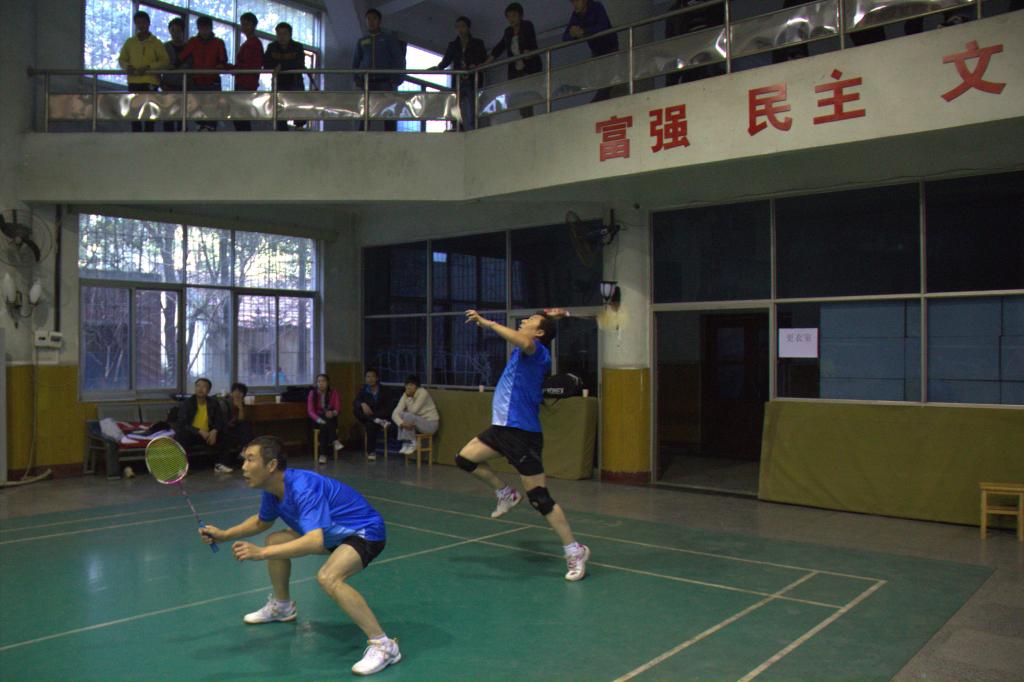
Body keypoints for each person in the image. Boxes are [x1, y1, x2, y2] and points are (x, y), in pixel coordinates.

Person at [200, 436, 400, 676]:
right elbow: (262, 522)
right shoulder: (272, 489)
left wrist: (261, 553)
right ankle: (282, 607)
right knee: (275, 540)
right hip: (332, 534)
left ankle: (384, 645)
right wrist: (224, 535)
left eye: (250, 459)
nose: (243, 466)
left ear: (271, 465)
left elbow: (314, 541)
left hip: (363, 531)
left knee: (329, 577)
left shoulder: (303, 487)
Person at [457, 309, 591, 581]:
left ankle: (574, 550)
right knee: (465, 458)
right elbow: (532, 330)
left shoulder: (538, 352)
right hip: (502, 428)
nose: (523, 321)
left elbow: (525, 341)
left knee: (540, 499)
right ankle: (505, 493)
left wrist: (488, 323)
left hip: (523, 434)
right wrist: (550, 313)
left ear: (539, 332)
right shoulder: (525, 350)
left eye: (530, 321)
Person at [352, 9, 406, 132]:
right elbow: (356, 62)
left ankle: (391, 137)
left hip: (385, 81)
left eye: (374, 19)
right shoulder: (362, 41)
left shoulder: (388, 39)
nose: (371, 22)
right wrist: (356, 78)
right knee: (366, 112)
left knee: (389, 110)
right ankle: (361, 137)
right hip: (367, 82)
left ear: (379, 21)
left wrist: (397, 78)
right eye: (368, 19)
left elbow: (399, 59)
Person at [487, 3, 542, 119]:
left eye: (514, 15)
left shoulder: (527, 25)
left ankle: (528, 118)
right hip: (516, 70)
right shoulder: (508, 32)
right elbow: (499, 47)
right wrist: (487, 62)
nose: (511, 19)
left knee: (527, 95)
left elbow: (531, 41)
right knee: (519, 95)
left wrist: (528, 52)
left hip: (529, 67)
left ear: (520, 16)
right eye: (509, 16)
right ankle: (525, 117)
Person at [118, 10, 170, 132]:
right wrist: (127, 66)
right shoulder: (130, 42)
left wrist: (149, 67)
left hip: (150, 81)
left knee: (149, 109)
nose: (141, 25)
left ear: (148, 23)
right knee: (134, 109)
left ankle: (148, 133)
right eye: (138, 23)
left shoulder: (156, 43)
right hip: (133, 81)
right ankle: (136, 134)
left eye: (143, 22)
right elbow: (122, 59)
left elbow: (165, 61)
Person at [436, 16, 487, 131]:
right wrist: (438, 68)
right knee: (456, 104)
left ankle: (472, 127)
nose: (460, 29)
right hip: (458, 80)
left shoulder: (477, 43)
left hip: (472, 78)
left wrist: (475, 65)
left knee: (472, 104)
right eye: (458, 27)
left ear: (468, 28)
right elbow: (446, 60)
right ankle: (457, 126)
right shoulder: (453, 45)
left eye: (463, 26)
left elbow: (483, 58)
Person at [177, 15, 228, 131]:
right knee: (197, 107)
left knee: (212, 108)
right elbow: (182, 57)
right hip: (197, 81)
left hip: (212, 81)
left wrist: (220, 65)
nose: (204, 31)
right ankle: (202, 126)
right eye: (202, 28)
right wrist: (173, 66)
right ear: (198, 28)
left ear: (211, 28)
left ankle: (210, 127)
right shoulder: (193, 42)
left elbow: (223, 59)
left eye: (206, 28)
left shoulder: (218, 42)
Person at [563, 0, 618, 103]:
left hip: (610, 49)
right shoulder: (576, 15)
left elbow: (603, 25)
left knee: (608, 79)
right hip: (597, 53)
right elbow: (565, 37)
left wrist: (584, 31)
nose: (574, 5)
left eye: (577, 1)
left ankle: (600, 101)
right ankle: (600, 100)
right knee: (602, 79)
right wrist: (573, 33)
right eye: (572, 2)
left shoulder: (596, 6)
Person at [174, 377, 232, 473]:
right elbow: (182, 424)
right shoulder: (187, 403)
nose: (200, 389)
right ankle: (181, 467)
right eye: (198, 386)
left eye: (204, 387)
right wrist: (199, 431)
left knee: (225, 434)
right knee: (181, 435)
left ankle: (220, 465)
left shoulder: (213, 403)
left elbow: (220, 420)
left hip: (208, 435)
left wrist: (214, 431)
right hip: (192, 434)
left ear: (208, 391)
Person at [264, 22, 311, 131]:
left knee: (298, 105)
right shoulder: (272, 47)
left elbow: (299, 63)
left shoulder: (297, 47)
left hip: (294, 81)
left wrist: (281, 66)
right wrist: (281, 66)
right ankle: (281, 131)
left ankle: (299, 126)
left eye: (284, 34)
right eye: (279, 34)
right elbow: (266, 64)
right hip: (279, 83)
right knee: (279, 109)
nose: (282, 37)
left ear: (290, 35)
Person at [665, 0, 727, 82]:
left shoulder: (716, 5)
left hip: (710, 55)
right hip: (690, 60)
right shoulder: (675, 11)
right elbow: (671, 46)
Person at [391, 375, 439, 456]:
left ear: (417, 386)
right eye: (407, 385)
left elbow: (413, 411)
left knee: (407, 415)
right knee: (401, 415)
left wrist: (409, 398)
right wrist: (402, 424)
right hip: (417, 422)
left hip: (431, 424)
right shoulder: (405, 395)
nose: (408, 387)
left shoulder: (422, 392)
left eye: (411, 385)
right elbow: (394, 414)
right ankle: (406, 443)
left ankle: (411, 442)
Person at [233, 12, 265, 132]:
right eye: (243, 24)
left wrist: (234, 69)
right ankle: (244, 135)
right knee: (240, 113)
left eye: (247, 24)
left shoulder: (253, 44)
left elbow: (249, 64)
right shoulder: (250, 43)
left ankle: (244, 135)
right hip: (244, 81)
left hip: (246, 82)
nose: (244, 26)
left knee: (240, 113)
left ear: (253, 25)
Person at [353, 369, 392, 461]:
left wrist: (375, 415)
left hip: (381, 416)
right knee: (356, 410)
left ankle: (371, 452)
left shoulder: (384, 390)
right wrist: (362, 404)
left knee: (370, 425)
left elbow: (388, 408)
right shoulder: (364, 390)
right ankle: (376, 420)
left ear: (377, 378)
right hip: (371, 418)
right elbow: (355, 401)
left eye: (372, 376)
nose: (370, 379)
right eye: (368, 377)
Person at [161, 17, 191, 132]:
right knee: (168, 116)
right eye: (172, 30)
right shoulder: (165, 47)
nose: (175, 33)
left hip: (184, 86)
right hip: (168, 85)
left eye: (178, 30)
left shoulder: (189, 48)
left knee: (182, 116)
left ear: (182, 31)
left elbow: (191, 65)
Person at [308, 373, 344, 465]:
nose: (321, 383)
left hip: (330, 417)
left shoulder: (333, 392)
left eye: (323, 381)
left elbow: (337, 408)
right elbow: (310, 411)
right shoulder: (312, 393)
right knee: (324, 423)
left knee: (325, 424)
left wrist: (333, 413)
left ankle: (323, 455)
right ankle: (334, 440)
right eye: (319, 381)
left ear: (327, 383)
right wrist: (319, 420)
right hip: (317, 418)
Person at [223, 382, 254, 461]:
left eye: (241, 392)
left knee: (245, 426)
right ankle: (243, 452)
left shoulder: (241, 403)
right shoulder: (225, 402)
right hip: (225, 427)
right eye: (236, 391)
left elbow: (241, 420)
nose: (238, 394)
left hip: (235, 428)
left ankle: (243, 452)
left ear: (243, 395)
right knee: (245, 428)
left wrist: (240, 409)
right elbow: (224, 420)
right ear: (232, 392)